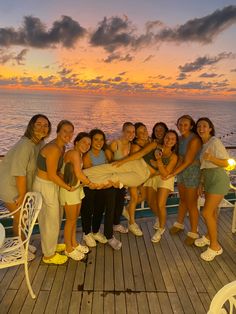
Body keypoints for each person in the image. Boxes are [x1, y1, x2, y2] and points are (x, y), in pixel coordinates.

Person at [0, 114, 51, 260]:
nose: (42, 127)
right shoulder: (25, 145)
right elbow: (19, 173)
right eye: (38, 124)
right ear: (31, 126)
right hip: (10, 186)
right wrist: (23, 195)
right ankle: (21, 249)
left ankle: (24, 244)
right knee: (20, 219)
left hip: (21, 186)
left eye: (46, 125)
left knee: (24, 218)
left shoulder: (39, 143)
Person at [33, 120, 77, 265]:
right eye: (65, 131)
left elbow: (55, 171)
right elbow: (51, 175)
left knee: (56, 217)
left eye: (71, 131)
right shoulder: (54, 149)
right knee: (50, 220)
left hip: (51, 184)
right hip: (45, 186)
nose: (68, 134)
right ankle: (48, 255)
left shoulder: (61, 147)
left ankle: (51, 246)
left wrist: (62, 177)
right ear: (58, 131)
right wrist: (67, 187)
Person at [194, 117, 230, 261]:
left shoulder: (215, 141)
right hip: (208, 179)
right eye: (198, 126)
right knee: (213, 212)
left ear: (210, 128)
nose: (201, 128)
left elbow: (226, 163)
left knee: (206, 212)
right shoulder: (204, 145)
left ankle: (215, 247)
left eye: (204, 126)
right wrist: (201, 184)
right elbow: (203, 167)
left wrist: (211, 158)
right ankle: (209, 237)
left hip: (218, 179)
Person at [81, 129, 122, 250]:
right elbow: (91, 174)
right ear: (91, 140)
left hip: (102, 186)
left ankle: (95, 231)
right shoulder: (86, 155)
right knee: (88, 210)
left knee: (99, 210)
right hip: (90, 186)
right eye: (96, 139)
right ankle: (86, 233)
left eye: (101, 139)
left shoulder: (106, 153)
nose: (99, 142)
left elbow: (111, 168)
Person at [60, 132, 95, 261]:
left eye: (89, 144)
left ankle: (74, 242)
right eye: (84, 142)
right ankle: (68, 248)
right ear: (76, 142)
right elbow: (79, 174)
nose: (87, 145)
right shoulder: (73, 153)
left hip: (77, 189)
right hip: (69, 190)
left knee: (74, 219)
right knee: (70, 220)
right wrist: (91, 184)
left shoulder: (79, 154)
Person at [168, 115, 202, 245]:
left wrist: (172, 174)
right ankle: (179, 224)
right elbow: (180, 158)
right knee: (182, 200)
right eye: (180, 125)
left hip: (193, 172)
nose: (182, 127)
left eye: (185, 125)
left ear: (191, 126)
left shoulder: (194, 140)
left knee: (191, 203)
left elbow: (187, 161)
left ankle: (194, 232)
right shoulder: (180, 138)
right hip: (182, 172)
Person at [149, 130, 178, 242]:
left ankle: (161, 228)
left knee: (161, 204)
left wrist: (158, 161)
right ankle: (160, 218)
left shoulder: (173, 156)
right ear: (163, 138)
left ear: (175, 142)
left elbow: (166, 173)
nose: (169, 140)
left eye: (172, 139)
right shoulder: (157, 147)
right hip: (154, 176)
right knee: (151, 203)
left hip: (166, 179)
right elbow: (150, 162)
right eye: (167, 138)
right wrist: (158, 165)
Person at [109, 122, 135, 234]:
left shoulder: (131, 145)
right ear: (123, 131)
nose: (131, 134)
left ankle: (116, 224)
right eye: (128, 131)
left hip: (123, 180)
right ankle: (108, 229)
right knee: (111, 204)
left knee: (120, 202)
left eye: (133, 132)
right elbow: (108, 161)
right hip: (112, 179)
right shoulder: (115, 144)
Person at [126, 122, 150, 236]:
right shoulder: (136, 146)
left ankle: (126, 209)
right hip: (134, 175)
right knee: (134, 198)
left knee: (143, 196)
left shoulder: (149, 142)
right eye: (140, 132)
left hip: (144, 175)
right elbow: (131, 161)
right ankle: (131, 223)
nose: (144, 133)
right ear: (136, 135)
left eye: (144, 130)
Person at [144, 122, 168, 229]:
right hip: (151, 174)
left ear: (165, 132)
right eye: (156, 130)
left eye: (161, 130)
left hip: (163, 175)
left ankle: (161, 225)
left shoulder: (169, 144)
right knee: (149, 201)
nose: (159, 132)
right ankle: (159, 217)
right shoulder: (150, 142)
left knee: (160, 203)